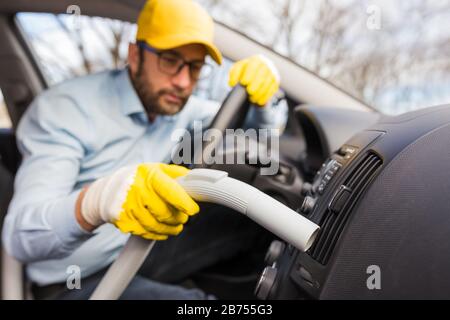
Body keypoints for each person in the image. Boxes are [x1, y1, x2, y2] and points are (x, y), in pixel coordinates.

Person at [2, 0, 287, 299]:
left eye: (195, 66)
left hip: (141, 248)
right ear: (135, 55)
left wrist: (262, 100)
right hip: (77, 280)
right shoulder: (65, 110)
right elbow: (21, 237)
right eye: (169, 59)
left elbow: (254, 140)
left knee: (256, 222)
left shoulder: (177, 108)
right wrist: (97, 201)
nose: (182, 81)